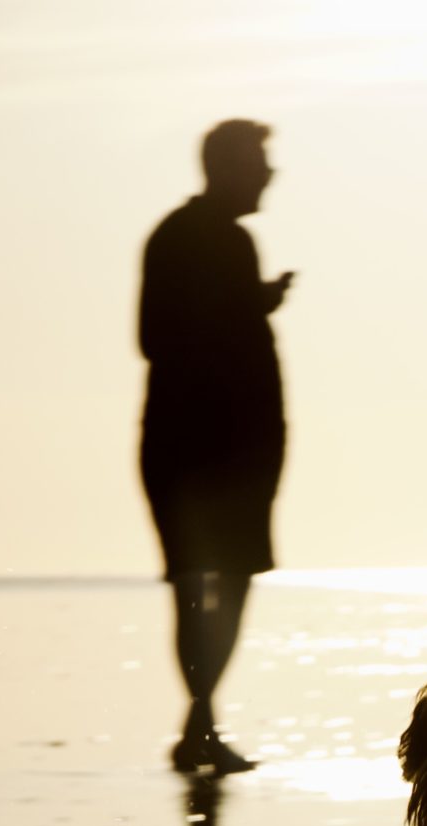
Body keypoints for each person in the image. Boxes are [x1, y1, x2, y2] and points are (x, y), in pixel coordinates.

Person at [139, 118, 293, 774]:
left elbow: (176, 330)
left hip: (204, 446)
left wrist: (250, 302)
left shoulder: (191, 238)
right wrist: (247, 305)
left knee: (205, 587)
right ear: (227, 167)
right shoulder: (216, 240)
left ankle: (199, 726)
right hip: (215, 449)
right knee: (216, 585)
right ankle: (199, 726)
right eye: (260, 164)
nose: (268, 177)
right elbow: (162, 336)